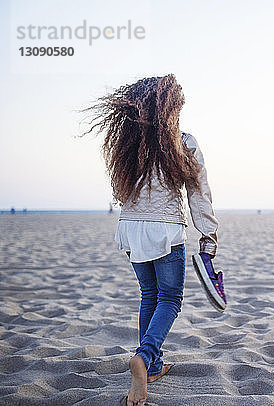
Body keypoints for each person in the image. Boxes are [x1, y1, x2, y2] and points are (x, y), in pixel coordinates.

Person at [85, 75, 225, 406]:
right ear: (171, 107)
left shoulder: (128, 144)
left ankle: (152, 367)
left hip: (131, 228)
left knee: (149, 295)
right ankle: (145, 357)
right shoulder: (183, 142)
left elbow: (122, 192)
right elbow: (198, 193)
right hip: (165, 231)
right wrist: (208, 237)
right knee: (171, 299)